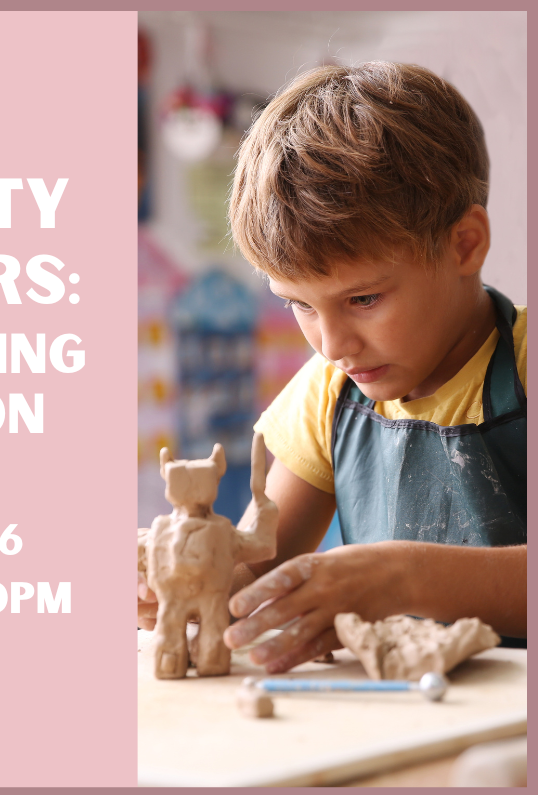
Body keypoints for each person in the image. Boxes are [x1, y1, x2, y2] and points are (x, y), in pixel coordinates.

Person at [137, 61, 526, 672]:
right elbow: (253, 572)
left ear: (464, 245)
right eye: (298, 305)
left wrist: (404, 576)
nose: (331, 345)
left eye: (363, 299)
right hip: (396, 725)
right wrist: (186, 579)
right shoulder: (329, 392)